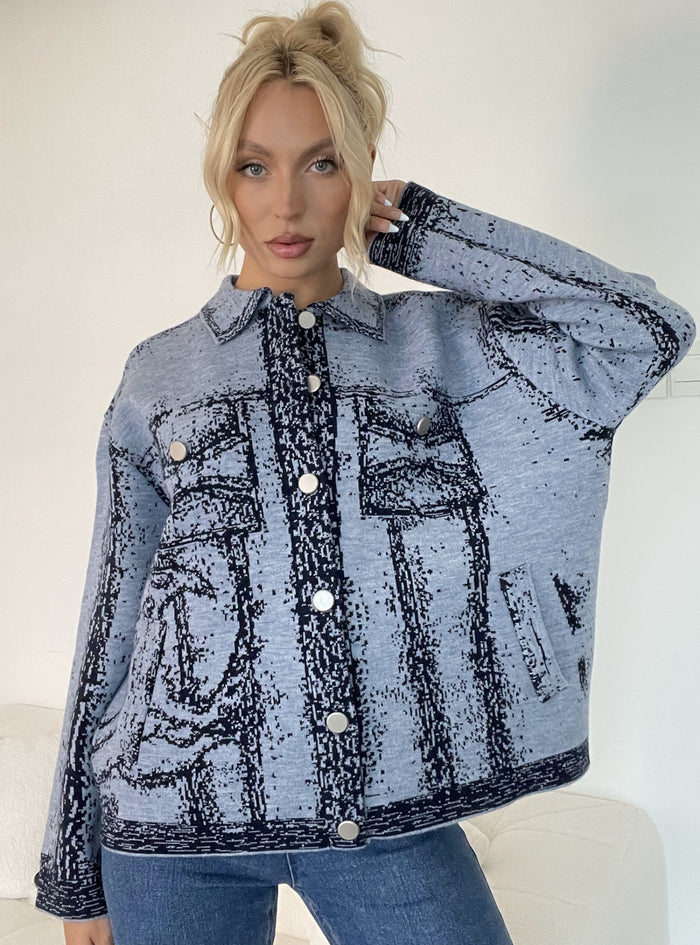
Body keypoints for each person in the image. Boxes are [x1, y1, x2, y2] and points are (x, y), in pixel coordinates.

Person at [33, 2, 695, 944]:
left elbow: (644, 332)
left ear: (362, 167)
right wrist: (74, 875)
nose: (286, 205)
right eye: (255, 166)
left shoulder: (440, 347)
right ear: (222, 176)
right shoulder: (158, 375)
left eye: (322, 163)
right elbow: (112, 619)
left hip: (384, 817)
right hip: (171, 823)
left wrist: (423, 232)